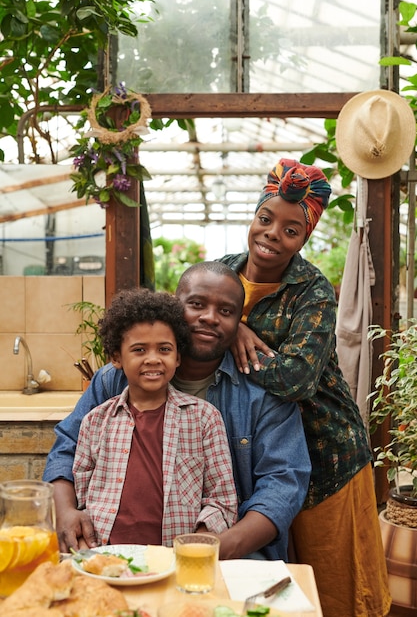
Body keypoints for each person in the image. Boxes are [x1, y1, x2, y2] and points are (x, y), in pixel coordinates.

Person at [43, 261, 311, 561]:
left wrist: (210, 549)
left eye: (226, 311)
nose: (209, 318)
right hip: (109, 550)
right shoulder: (113, 380)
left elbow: (283, 486)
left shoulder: (261, 393)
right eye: (196, 304)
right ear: (175, 306)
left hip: (234, 549)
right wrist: (66, 511)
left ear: (239, 322)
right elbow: (68, 448)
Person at [218, 158, 391, 617]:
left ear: (304, 239)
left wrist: (225, 331)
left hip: (325, 454)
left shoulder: (312, 290)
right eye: (265, 219)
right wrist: (230, 327)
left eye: (291, 230)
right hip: (264, 455)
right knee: (275, 591)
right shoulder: (221, 272)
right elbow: (184, 315)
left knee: (335, 589)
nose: (273, 234)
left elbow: (296, 378)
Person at [73, 288, 237, 546]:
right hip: (105, 555)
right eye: (139, 350)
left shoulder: (205, 419)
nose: (153, 359)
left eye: (164, 349)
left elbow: (222, 499)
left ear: (178, 357)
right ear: (116, 357)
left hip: (174, 558)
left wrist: (202, 538)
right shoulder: (94, 422)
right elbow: (81, 497)